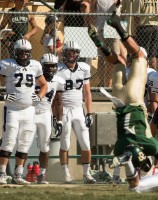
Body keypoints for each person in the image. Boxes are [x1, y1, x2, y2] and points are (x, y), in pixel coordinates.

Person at [89, 2, 158, 170]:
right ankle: (101, 44)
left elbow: (157, 151)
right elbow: (121, 155)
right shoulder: (120, 147)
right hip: (118, 101)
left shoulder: (149, 145)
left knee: (138, 56)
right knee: (118, 62)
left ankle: (117, 27)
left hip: (134, 99)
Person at [0, 39, 48, 185]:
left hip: (29, 109)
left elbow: (44, 85)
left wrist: (39, 96)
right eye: (21, 52)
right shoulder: (7, 64)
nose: (23, 55)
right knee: (9, 140)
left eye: (26, 52)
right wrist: (3, 96)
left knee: (25, 142)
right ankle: (2, 173)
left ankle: (18, 175)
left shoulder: (35, 65)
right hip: (12, 109)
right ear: (15, 52)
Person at [56, 40, 96, 184]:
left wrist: (89, 112)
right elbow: (55, 95)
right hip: (64, 110)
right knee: (65, 143)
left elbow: (87, 92)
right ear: (64, 53)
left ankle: (87, 174)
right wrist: (56, 116)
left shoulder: (84, 68)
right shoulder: (57, 68)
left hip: (78, 109)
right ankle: (66, 173)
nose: (72, 54)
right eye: (69, 51)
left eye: (75, 52)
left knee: (86, 143)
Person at [30, 53, 65, 184]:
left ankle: (41, 175)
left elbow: (58, 102)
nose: (50, 69)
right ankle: (18, 172)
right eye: (48, 66)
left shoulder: (58, 81)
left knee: (45, 146)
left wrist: (59, 120)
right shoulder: (33, 77)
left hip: (45, 113)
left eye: (53, 66)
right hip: (31, 112)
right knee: (25, 143)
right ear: (42, 66)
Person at [90, 0, 127, 87]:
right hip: (101, 28)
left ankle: (111, 83)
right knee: (102, 58)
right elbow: (92, 10)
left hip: (114, 30)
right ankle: (103, 83)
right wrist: (92, 26)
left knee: (114, 57)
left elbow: (124, 10)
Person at [133, 0, 158, 70]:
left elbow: (136, 16)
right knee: (153, 55)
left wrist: (135, 30)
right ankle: (152, 75)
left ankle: (143, 75)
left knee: (142, 54)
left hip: (143, 28)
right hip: (156, 28)